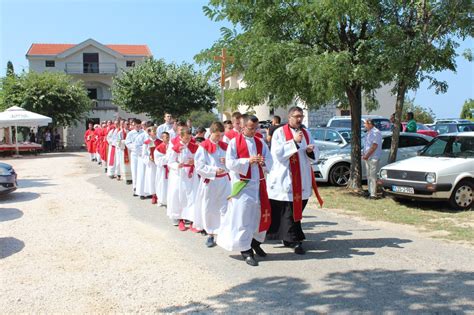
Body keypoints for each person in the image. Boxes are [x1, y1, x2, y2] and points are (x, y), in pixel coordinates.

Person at [217, 115, 273, 267]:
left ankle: (255, 242)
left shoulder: (260, 142)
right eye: (250, 128)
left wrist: (263, 162)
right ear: (242, 127)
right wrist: (247, 161)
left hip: (259, 185)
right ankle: (245, 249)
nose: (254, 131)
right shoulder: (235, 142)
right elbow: (230, 163)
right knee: (244, 217)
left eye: (256, 128)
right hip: (243, 186)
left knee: (260, 215)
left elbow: (270, 160)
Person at [266, 106, 323, 255]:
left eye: (301, 116)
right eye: (297, 116)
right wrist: (295, 142)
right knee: (288, 211)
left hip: (301, 177)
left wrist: (311, 151)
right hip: (285, 177)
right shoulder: (279, 132)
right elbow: (277, 154)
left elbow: (316, 152)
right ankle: (293, 239)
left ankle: (289, 237)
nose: (299, 119)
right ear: (289, 117)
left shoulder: (306, 132)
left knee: (297, 208)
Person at [193, 121, 231, 247]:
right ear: (211, 133)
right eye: (217, 136)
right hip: (211, 181)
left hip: (224, 180)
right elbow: (199, 166)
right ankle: (210, 233)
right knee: (209, 206)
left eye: (221, 136)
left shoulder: (225, 146)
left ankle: (222, 231)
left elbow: (232, 163)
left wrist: (227, 162)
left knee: (225, 206)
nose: (219, 139)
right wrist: (214, 170)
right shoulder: (203, 146)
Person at [166, 129, 199, 231]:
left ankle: (192, 219)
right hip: (179, 174)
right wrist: (177, 165)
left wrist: (194, 161)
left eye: (189, 138)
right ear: (181, 137)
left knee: (192, 196)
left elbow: (199, 158)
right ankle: (180, 219)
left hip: (191, 174)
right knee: (179, 195)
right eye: (186, 138)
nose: (188, 140)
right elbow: (170, 161)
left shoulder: (194, 146)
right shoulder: (175, 147)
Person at [362, 118, 382, 199]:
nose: (364, 126)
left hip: (373, 157)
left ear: (370, 124)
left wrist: (367, 155)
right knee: (368, 175)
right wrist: (364, 153)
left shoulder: (375, 132)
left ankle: (373, 194)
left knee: (373, 176)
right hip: (368, 157)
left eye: (365, 124)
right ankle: (370, 191)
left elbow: (374, 146)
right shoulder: (368, 132)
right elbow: (367, 145)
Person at [142, 127, 162, 204]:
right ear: (149, 133)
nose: (154, 132)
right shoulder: (147, 142)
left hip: (158, 164)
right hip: (151, 164)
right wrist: (149, 158)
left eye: (155, 131)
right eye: (153, 131)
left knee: (159, 178)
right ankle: (154, 195)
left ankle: (159, 194)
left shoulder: (160, 141)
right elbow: (144, 154)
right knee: (152, 179)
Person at [135, 121, 154, 199]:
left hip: (151, 159)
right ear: (145, 128)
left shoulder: (152, 137)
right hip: (143, 158)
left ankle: (149, 192)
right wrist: (144, 151)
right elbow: (136, 147)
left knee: (149, 175)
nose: (150, 131)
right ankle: (141, 192)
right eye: (148, 129)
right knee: (142, 175)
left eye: (151, 129)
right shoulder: (141, 136)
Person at [125, 119, 143, 193]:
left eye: (139, 125)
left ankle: (142, 188)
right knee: (135, 170)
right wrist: (135, 147)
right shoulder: (130, 133)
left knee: (141, 171)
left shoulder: (143, 132)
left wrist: (141, 148)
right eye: (136, 125)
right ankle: (135, 188)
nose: (138, 127)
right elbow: (128, 143)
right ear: (133, 125)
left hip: (142, 154)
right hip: (134, 154)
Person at [154, 132, 170, 207]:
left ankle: (169, 200)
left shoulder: (171, 147)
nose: (167, 139)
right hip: (162, 170)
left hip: (170, 169)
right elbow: (157, 160)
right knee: (161, 184)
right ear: (162, 138)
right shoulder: (158, 148)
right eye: (165, 137)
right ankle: (161, 200)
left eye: (168, 137)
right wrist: (167, 158)